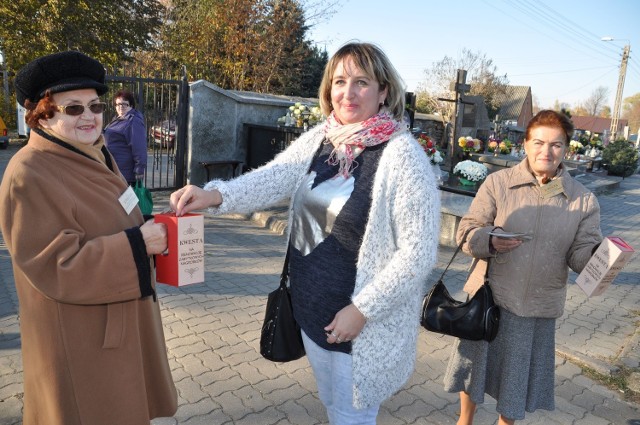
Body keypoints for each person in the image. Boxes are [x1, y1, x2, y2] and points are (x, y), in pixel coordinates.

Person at [170, 42, 441, 424]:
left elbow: (417, 254)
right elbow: (274, 177)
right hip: (312, 311)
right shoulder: (324, 137)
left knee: (353, 416)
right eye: (340, 81)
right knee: (334, 409)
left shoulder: (402, 156)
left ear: (383, 91)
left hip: (358, 326)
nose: (348, 93)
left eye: (361, 82)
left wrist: (363, 310)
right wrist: (214, 194)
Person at [0, 51, 177, 425]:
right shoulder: (29, 173)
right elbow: (56, 265)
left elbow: (113, 209)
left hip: (112, 323)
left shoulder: (95, 152)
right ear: (42, 115)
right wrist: (137, 244)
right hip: (81, 340)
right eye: (73, 108)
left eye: (95, 106)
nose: (89, 117)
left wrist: (152, 223)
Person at [443, 110, 603, 425]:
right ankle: (464, 421)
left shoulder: (583, 201)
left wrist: (600, 259)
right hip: (490, 298)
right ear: (526, 145)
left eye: (556, 145)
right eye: (539, 142)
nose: (547, 151)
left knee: (514, 382)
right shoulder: (498, 183)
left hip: (536, 307)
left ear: (566, 150)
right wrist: (489, 240)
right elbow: (467, 231)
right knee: (474, 367)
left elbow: (580, 254)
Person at [104, 89, 148, 185]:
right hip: (115, 170)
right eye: (118, 104)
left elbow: (139, 147)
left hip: (125, 173)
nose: (120, 107)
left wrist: (139, 169)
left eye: (124, 104)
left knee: (125, 200)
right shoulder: (118, 119)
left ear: (131, 105)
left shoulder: (133, 121)